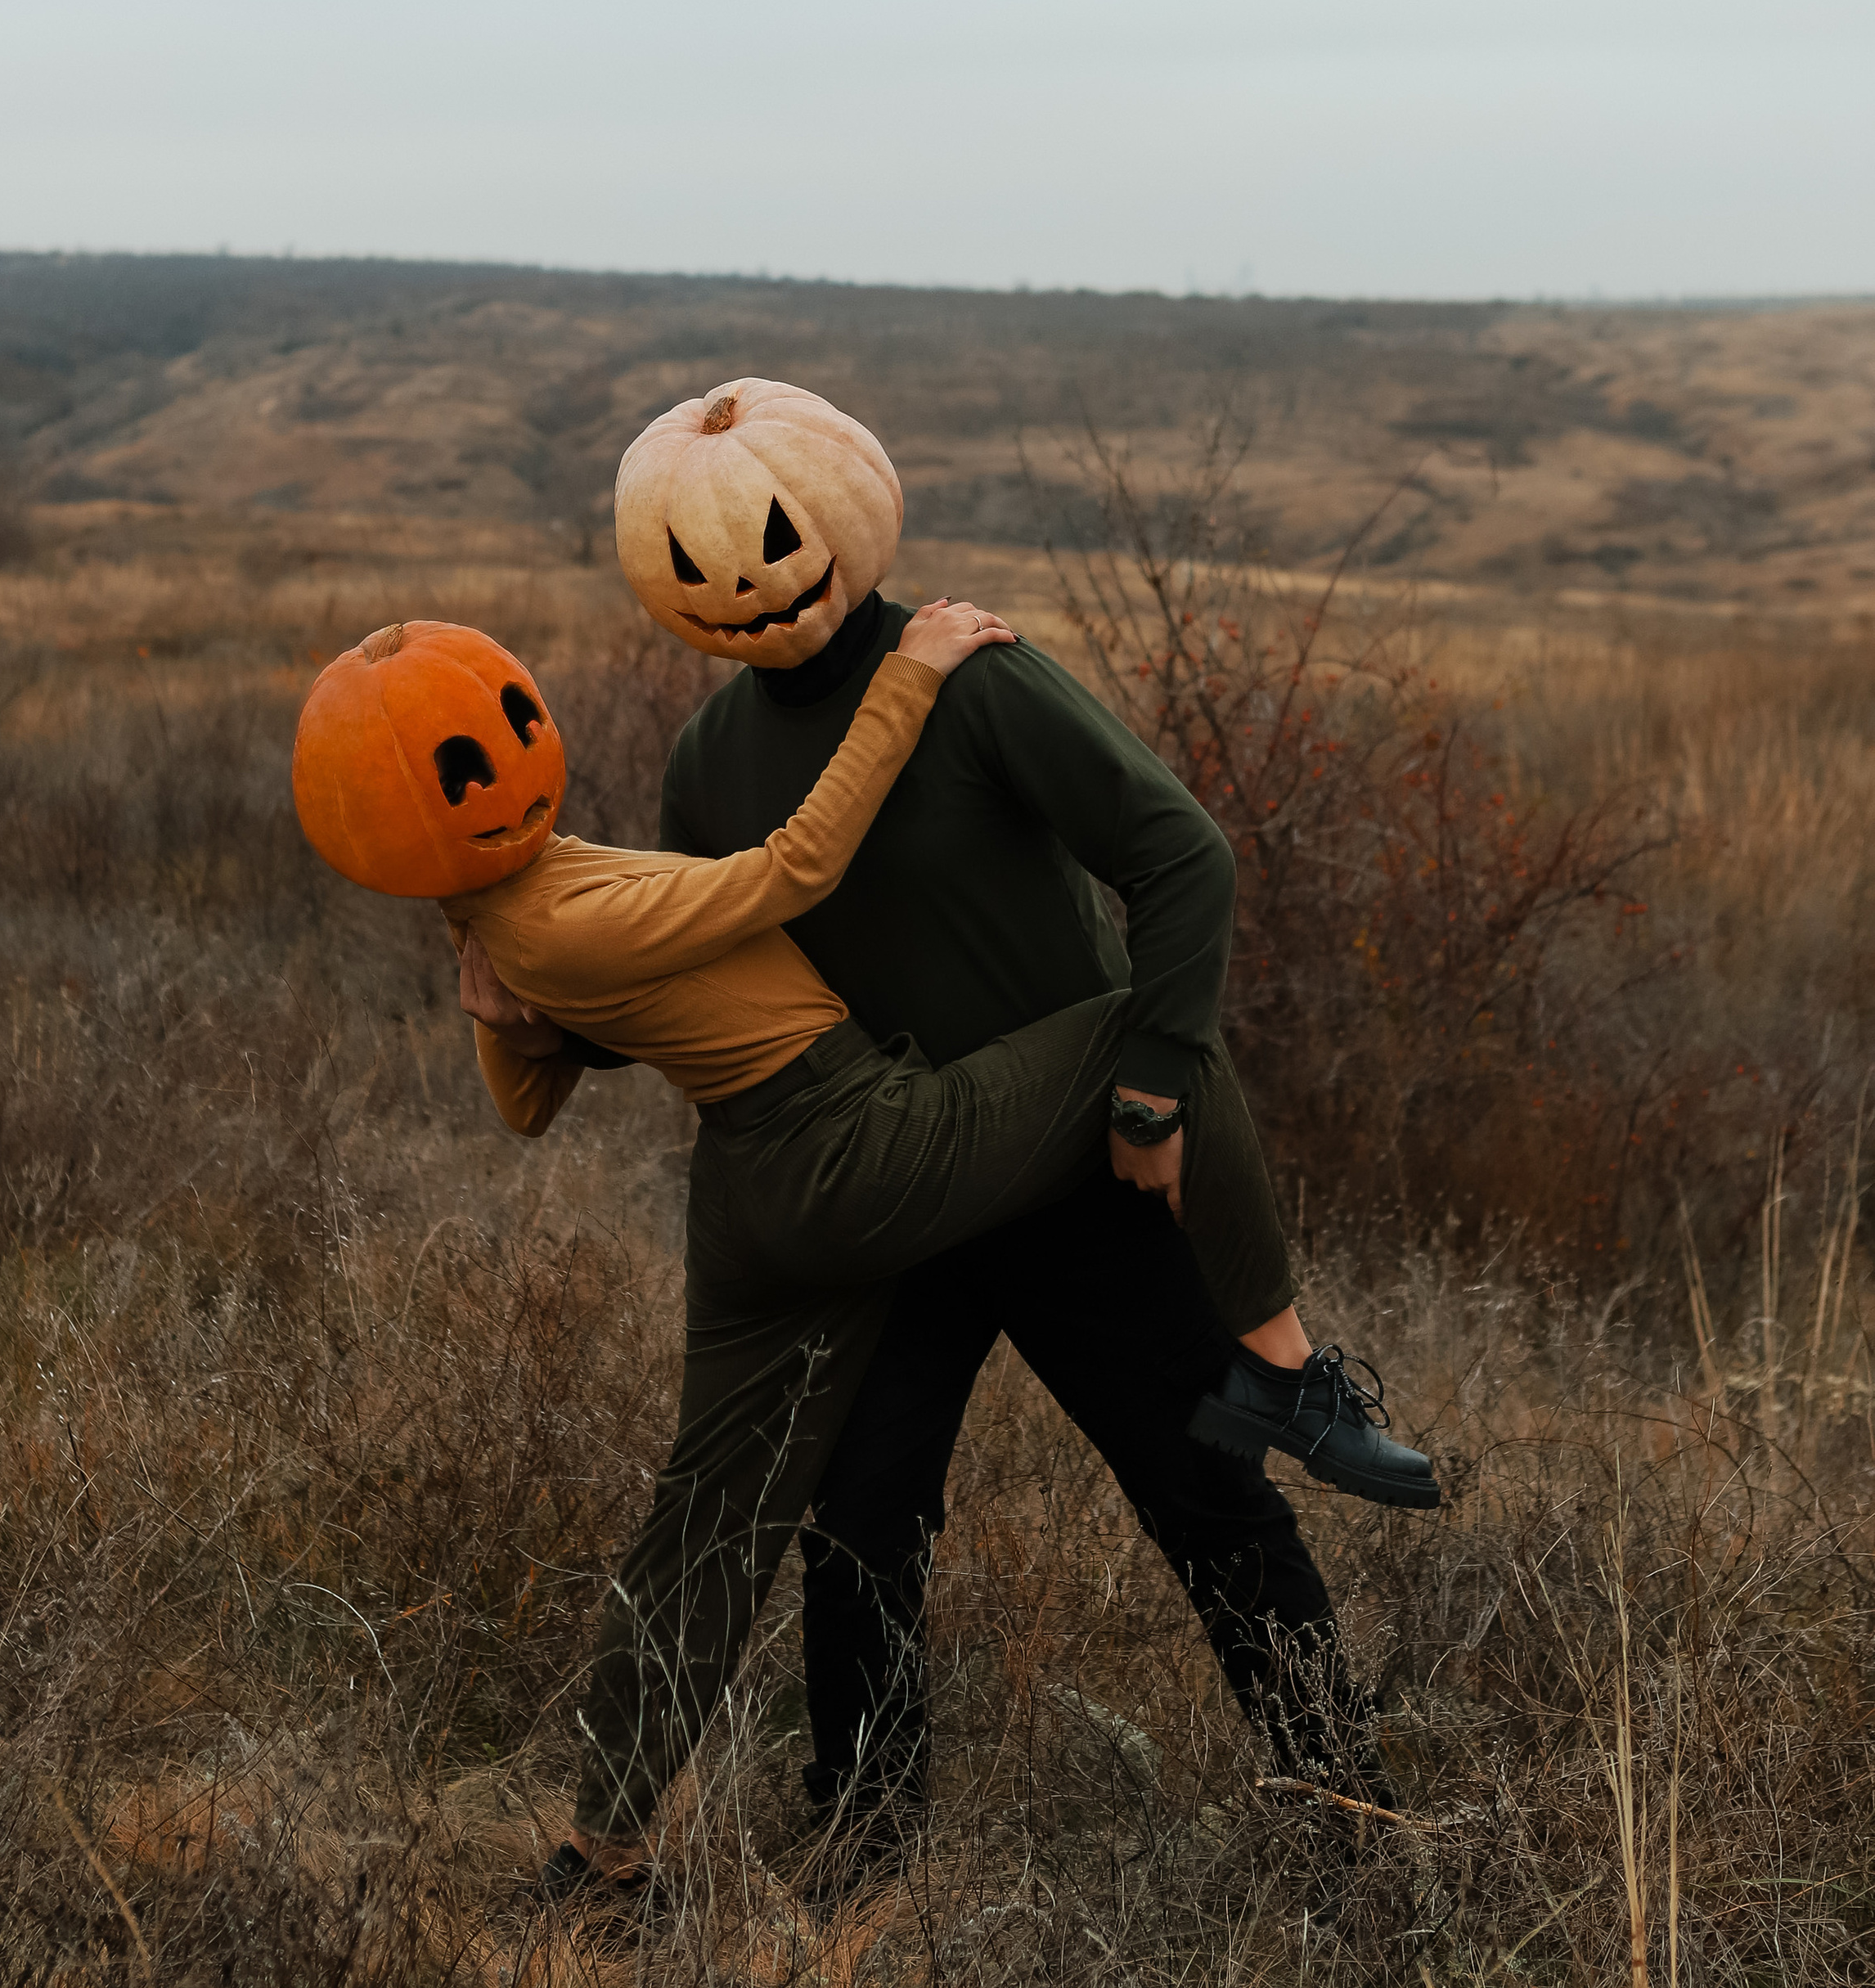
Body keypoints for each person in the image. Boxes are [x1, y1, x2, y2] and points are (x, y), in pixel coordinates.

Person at [463, 380, 1433, 1890]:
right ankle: (864, 1854)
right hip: (897, 1193)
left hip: (1080, 1174)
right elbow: (723, 967)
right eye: (708, 562)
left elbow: (1179, 854)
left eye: (780, 538)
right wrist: (542, 1009)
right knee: (858, 1534)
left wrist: (1157, 1079)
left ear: (842, 515)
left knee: (1207, 1499)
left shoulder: (973, 677)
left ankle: (1354, 1823)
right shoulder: (709, 764)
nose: (758, 579)